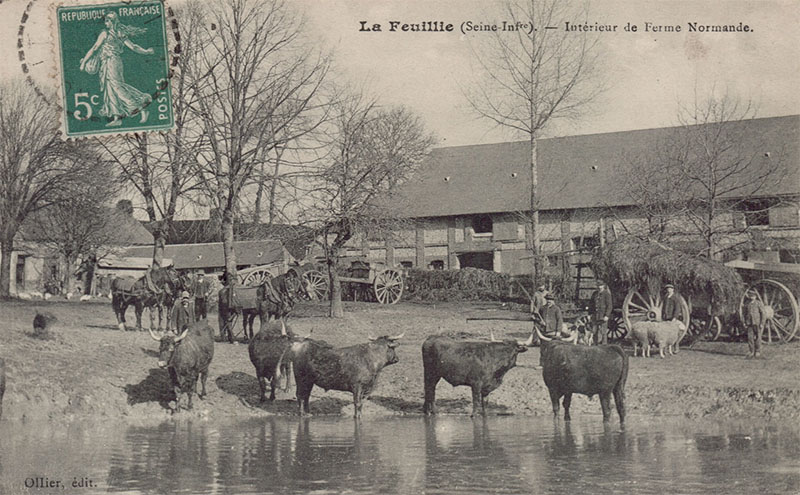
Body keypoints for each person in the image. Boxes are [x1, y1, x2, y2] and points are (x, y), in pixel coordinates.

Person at [79, 12, 154, 127]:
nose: (106, 23)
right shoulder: (119, 32)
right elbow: (133, 46)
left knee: (117, 86)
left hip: (112, 62)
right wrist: (146, 51)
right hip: (108, 62)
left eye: (108, 21)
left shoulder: (107, 33)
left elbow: (95, 48)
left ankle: (139, 107)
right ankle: (117, 117)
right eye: (105, 21)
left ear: (113, 21)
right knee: (110, 89)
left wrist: (84, 62)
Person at [743, 289, 765, 359]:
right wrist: (744, 322)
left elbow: (763, 314)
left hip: (757, 323)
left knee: (758, 337)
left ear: (755, 296)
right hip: (749, 323)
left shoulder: (758, 303)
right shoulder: (747, 304)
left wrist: (762, 323)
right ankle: (751, 351)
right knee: (750, 338)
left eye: (753, 296)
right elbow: (744, 314)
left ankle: (757, 351)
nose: (751, 297)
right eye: (750, 296)